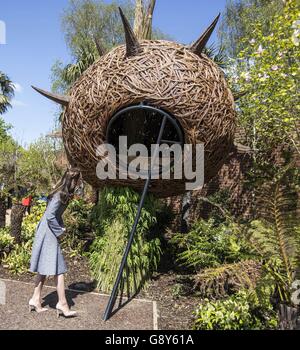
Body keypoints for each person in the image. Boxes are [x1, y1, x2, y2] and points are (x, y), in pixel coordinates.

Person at [28, 168, 81, 317]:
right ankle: (62, 304)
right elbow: (51, 215)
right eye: (76, 181)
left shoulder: (62, 194)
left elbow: (55, 215)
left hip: (46, 229)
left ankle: (35, 299)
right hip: (48, 231)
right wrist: (60, 231)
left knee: (45, 267)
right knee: (59, 268)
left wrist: (60, 226)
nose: (77, 185)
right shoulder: (59, 195)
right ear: (72, 181)